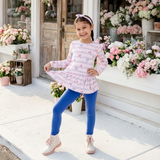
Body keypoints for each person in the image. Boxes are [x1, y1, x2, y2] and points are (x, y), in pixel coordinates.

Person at [42, 14, 108, 156]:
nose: (81, 31)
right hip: (75, 83)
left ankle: (89, 138)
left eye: (84, 27)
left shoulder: (97, 46)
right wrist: (52, 63)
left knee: (90, 112)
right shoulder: (74, 44)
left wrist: (97, 71)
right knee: (57, 109)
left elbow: (104, 62)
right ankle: (54, 139)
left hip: (89, 83)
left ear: (91, 27)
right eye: (78, 29)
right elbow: (67, 62)